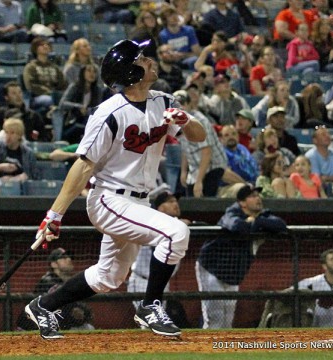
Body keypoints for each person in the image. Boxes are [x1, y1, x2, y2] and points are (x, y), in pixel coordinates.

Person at [24, 39, 206, 339]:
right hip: (109, 199)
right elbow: (83, 166)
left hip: (138, 202)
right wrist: (54, 215)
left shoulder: (163, 101)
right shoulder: (110, 112)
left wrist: (185, 120)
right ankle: (150, 307)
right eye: (142, 59)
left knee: (108, 277)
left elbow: (197, 137)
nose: (149, 61)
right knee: (176, 233)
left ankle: (44, 306)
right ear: (130, 72)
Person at [196, 184, 287, 328]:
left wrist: (256, 221)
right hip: (212, 267)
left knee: (228, 319)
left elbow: (281, 225)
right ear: (242, 203)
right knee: (215, 318)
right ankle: (208, 349)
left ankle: (223, 349)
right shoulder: (231, 212)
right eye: (252, 196)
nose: (258, 198)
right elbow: (238, 227)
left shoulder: (262, 215)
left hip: (233, 272)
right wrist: (255, 224)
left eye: (258, 195)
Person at [127, 191, 191, 310]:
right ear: (160, 207)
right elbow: (158, 248)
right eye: (170, 201)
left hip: (162, 281)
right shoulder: (151, 222)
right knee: (148, 319)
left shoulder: (178, 225)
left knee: (158, 318)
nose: (175, 204)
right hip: (142, 280)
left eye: (176, 201)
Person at [179, 88, 244, 198]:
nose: (180, 108)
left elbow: (207, 152)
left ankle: (245, 188)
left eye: (182, 104)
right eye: (176, 105)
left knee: (206, 198)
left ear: (189, 104)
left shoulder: (200, 121)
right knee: (191, 202)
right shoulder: (177, 122)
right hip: (196, 168)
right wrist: (184, 171)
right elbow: (186, 148)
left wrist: (199, 181)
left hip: (213, 165)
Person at [17, 247, 94, 331]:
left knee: (88, 328)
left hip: (62, 324)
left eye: (69, 257)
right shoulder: (47, 281)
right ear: (53, 264)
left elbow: (85, 311)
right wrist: (74, 310)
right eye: (63, 257)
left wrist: (81, 312)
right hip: (35, 327)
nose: (69, 259)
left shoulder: (71, 281)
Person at [58, 64, 104, 144]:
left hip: (89, 121)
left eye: (94, 72)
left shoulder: (98, 90)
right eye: (89, 71)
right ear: (83, 73)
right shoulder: (74, 86)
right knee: (82, 128)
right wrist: (79, 107)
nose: (92, 74)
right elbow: (62, 104)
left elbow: (98, 107)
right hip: (73, 121)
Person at [22, 37, 67, 116]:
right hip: (37, 97)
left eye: (47, 45)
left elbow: (63, 83)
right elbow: (30, 85)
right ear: (35, 48)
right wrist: (48, 92)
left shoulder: (55, 67)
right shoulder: (31, 67)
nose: (45, 46)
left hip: (55, 96)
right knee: (49, 100)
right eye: (42, 45)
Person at [0, 118, 39, 182]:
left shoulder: (28, 153)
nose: (8, 136)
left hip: (21, 188)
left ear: (19, 135)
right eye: (6, 132)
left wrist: (20, 178)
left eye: (12, 133)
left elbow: (34, 177)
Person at [305, 126, 333, 195]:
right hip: (316, 191)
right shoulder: (310, 156)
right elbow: (317, 179)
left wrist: (326, 178)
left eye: (328, 134)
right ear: (315, 140)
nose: (327, 136)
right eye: (323, 135)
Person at [219, 125, 258, 197]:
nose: (231, 137)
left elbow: (253, 167)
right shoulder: (220, 152)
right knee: (241, 189)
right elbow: (226, 175)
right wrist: (246, 185)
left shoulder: (243, 149)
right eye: (226, 135)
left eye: (233, 134)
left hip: (251, 183)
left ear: (238, 136)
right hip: (229, 186)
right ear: (221, 139)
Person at [158, 6, 201, 70]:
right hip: (173, 62)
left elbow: (197, 52)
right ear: (165, 20)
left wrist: (183, 55)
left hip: (189, 59)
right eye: (170, 16)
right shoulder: (163, 35)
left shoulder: (189, 30)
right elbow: (165, 56)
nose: (174, 17)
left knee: (195, 60)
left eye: (175, 14)